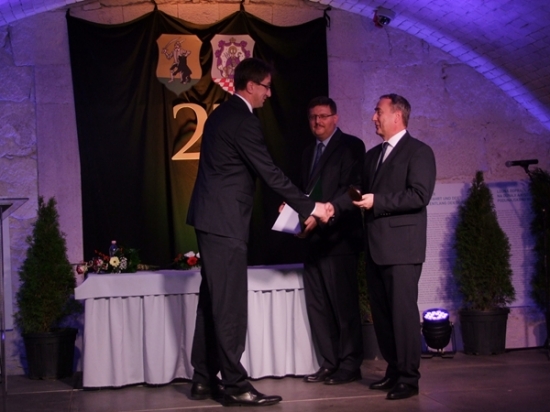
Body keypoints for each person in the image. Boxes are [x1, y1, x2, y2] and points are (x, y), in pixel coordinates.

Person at [186, 58, 333, 407]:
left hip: (213, 220)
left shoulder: (221, 114)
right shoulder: (243, 120)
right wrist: (310, 206)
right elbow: (269, 172)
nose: (269, 94)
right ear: (251, 86)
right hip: (224, 223)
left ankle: (203, 379)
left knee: (213, 300)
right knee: (230, 306)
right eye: (266, 87)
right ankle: (235, 386)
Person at [352, 93, 436, 400]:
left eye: (379, 112)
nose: (374, 117)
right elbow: (363, 194)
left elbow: (419, 195)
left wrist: (378, 201)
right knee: (383, 315)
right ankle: (394, 369)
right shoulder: (372, 155)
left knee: (402, 315)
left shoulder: (419, 152)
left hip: (402, 249)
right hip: (376, 247)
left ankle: (409, 378)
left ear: (397, 116)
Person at [298, 96, 365, 385]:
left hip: (340, 239)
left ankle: (350, 365)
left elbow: (354, 190)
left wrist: (326, 211)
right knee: (319, 307)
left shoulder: (351, 146)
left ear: (335, 118)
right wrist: (294, 211)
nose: (318, 121)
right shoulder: (307, 152)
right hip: (312, 240)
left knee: (343, 306)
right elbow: (305, 193)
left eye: (323, 116)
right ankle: (329, 362)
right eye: (313, 117)